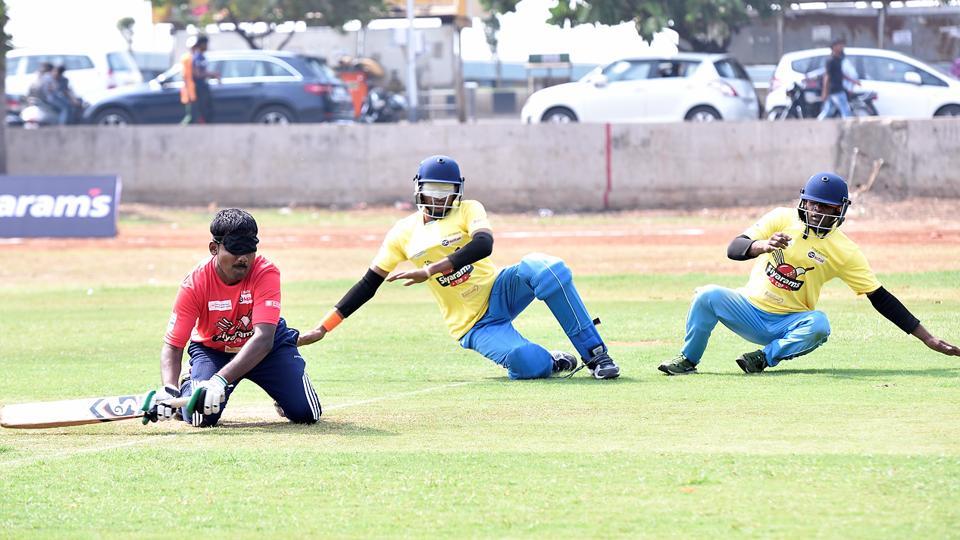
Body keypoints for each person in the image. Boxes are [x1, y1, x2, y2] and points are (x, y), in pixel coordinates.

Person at [297, 155, 621, 380]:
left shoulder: (468, 209)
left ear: (458, 191)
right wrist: (323, 328)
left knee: (548, 268)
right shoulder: (402, 232)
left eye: (446, 191)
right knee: (529, 363)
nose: (439, 199)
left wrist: (429, 270)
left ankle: (596, 355)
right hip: (473, 324)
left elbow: (484, 245)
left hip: (499, 290)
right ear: (418, 189)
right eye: (432, 191)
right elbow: (367, 285)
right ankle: (550, 360)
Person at [658, 172, 959, 376]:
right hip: (747, 308)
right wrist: (762, 246)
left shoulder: (845, 251)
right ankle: (688, 359)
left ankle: (763, 357)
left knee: (819, 324)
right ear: (803, 200)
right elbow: (734, 248)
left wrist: (927, 338)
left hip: (788, 324)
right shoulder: (781, 217)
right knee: (706, 295)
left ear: (840, 210)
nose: (816, 211)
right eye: (812, 203)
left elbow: (880, 298)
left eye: (825, 206)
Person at [141, 209, 322, 427]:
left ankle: (282, 394)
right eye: (236, 249)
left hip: (266, 349)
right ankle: (190, 382)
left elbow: (264, 338)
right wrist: (169, 389)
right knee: (200, 418)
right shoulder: (195, 283)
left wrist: (219, 380)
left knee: (307, 413)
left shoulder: (266, 272)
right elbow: (173, 344)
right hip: (213, 350)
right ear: (213, 249)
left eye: (249, 250)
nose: (243, 258)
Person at [818, 39, 860, 120]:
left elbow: (841, 75)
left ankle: (817, 124)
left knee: (828, 111)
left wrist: (853, 81)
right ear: (834, 47)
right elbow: (827, 76)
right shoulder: (830, 61)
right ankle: (849, 128)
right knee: (846, 111)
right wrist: (824, 92)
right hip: (835, 89)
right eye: (839, 45)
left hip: (836, 89)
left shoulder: (838, 60)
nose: (841, 47)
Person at [180, 35, 218, 124]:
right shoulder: (196, 57)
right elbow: (197, 74)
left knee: (205, 111)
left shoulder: (200, 57)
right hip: (195, 89)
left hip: (199, 88)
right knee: (193, 115)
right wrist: (212, 74)